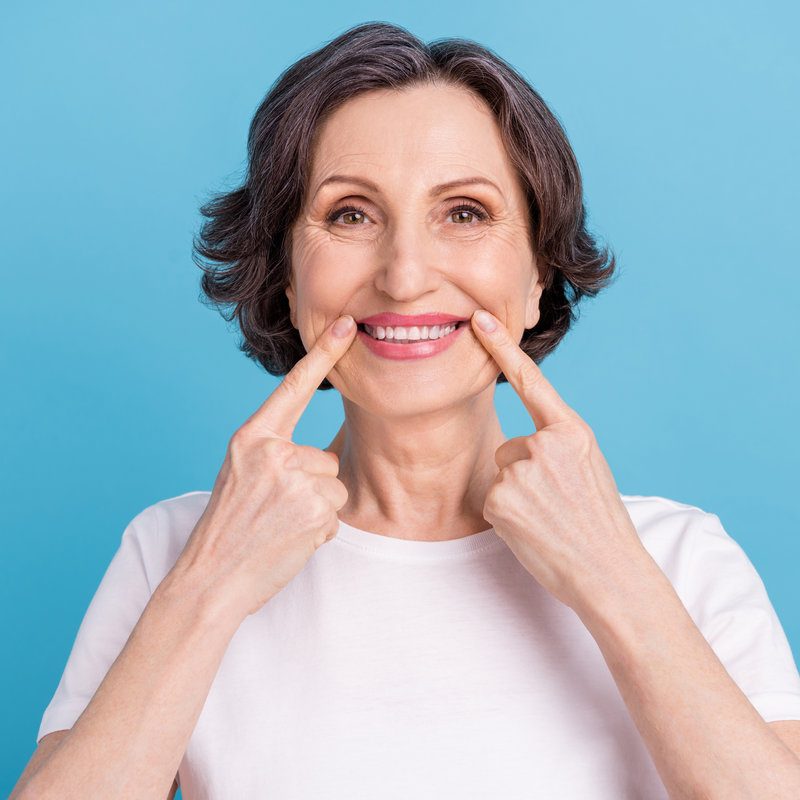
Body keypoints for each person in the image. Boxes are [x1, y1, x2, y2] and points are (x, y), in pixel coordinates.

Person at [13, 20, 800, 800]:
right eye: (350, 214)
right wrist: (210, 585)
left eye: (464, 213)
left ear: (537, 277)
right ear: (287, 279)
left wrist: (616, 578)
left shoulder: (680, 559)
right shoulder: (176, 551)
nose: (404, 275)